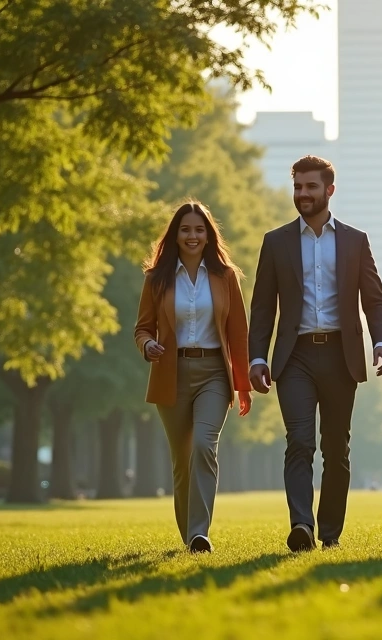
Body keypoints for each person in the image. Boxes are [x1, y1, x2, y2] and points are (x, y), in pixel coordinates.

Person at [247, 155, 382, 552]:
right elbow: (262, 307)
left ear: (329, 190)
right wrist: (256, 357)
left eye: (311, 187)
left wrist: (381, 342)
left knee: (336, 449)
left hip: (340, 355)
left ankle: (329, 532)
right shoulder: (275, 242)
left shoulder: (354, 241)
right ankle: (301, 526)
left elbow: (375, 301)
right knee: (299, 442)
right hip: (293, 357)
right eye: (297, 187)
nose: (303, 194)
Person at [135, 201, 253, 553]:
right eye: (185, 229)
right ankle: (189, 536)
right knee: (182, 461)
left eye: (199, 229)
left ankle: (200, 533)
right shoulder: (156, 278)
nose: (192, 235)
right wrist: (148, 345)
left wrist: (242, 384)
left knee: (204, 446)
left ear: (208, 235)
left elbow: (239, 334)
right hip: (171, 373)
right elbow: (142, 328)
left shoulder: (225, 276)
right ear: (175, 235)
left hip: (214, 374)